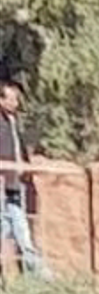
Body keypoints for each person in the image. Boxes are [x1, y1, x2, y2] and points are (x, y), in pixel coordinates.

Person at [0, 68, 37, 277]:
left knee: (19, 230)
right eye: (12, 99)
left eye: (17, 99)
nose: (16, 103)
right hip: (2, 183)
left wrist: (25, 168)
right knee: (7, 228)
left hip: (14, 185)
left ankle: (35, 275)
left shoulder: (14, 122)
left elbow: (18, 148)